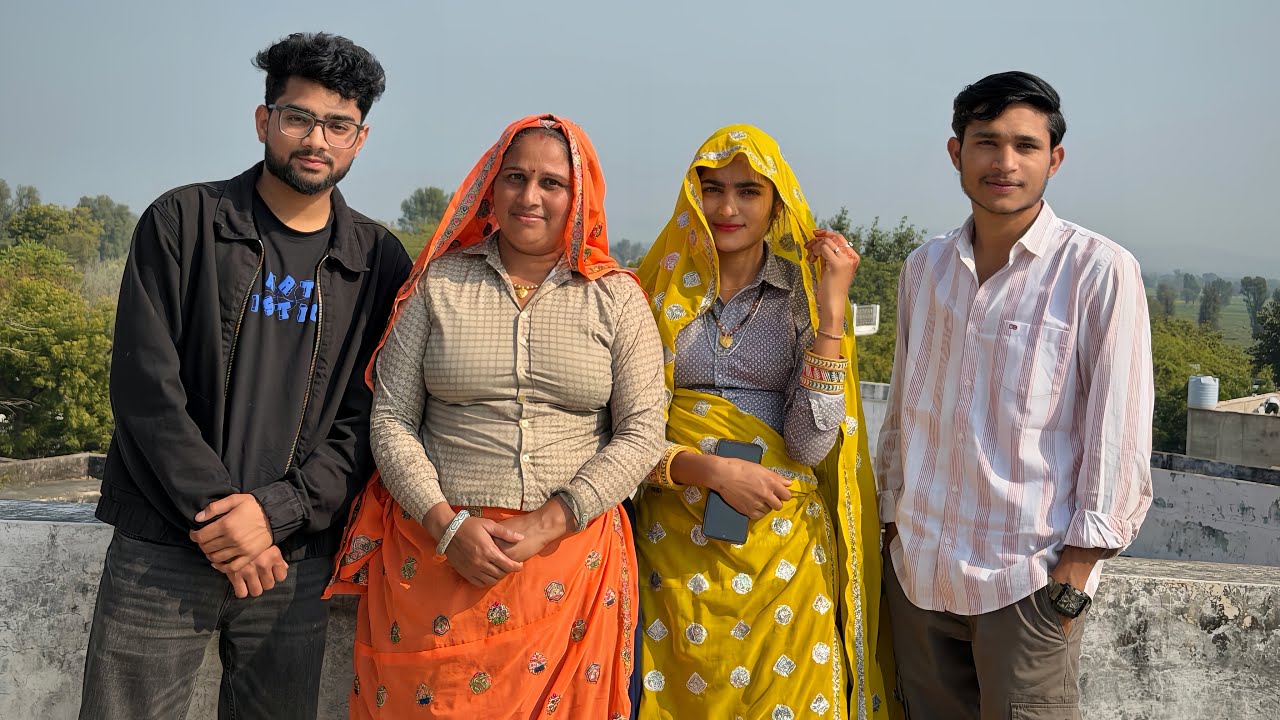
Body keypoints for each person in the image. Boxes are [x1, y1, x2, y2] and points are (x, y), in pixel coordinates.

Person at [79, 32, 411, 719]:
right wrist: (223, 516)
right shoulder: (183, 223)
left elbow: (372, 416)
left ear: (360, 137)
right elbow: (146, 390)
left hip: (292, 558)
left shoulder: (378, 261)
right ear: (265, 121)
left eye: (337, 124)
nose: (315, 139)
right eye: (298, 118)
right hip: (163, 548)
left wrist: (274, 514)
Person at [327, 114, 667, 718]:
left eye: (551, 183)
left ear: (580, 194)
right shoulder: (439, 284)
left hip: (568, 566)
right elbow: (392, 420)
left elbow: (642, 433)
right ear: (491, 186)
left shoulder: (617, 297)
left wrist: (551, 521)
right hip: (435, 556)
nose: (529, 196)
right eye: (515, 177)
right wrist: (447, 526)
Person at [876, 71, 1154, 719]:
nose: (1005, 162)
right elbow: (904, 412)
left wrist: (1075, 575)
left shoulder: (1098, 270)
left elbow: (1118, 428)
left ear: (1054, 159)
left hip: (1026, 584)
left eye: (1026, 146)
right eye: (987, 142)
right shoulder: (925, 269)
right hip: (920, 577)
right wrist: (892, 526)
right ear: (956, 153)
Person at [634, 126, 900, 719]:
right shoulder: (652, 294)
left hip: (778, 550)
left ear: (777, 203)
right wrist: (712, 471)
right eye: (713, 188)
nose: (728, 208)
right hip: (671, 547)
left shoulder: (802, 298)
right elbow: (624, 435)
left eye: (749, 191)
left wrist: (833, 313)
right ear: (690, 196)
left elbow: (810, 442)